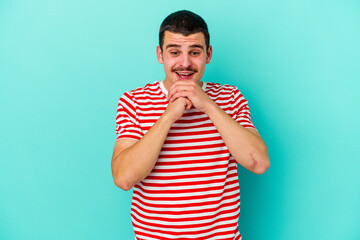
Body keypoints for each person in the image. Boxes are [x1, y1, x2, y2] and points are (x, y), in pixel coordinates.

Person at [111, 10, 270, 240]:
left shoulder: (231, 98)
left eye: (194, 52)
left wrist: (208, 105)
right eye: (174, 52)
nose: (185, 63)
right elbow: (124, 178)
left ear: (208, 54)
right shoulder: (134, 101)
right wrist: (167, 117)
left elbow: (259, 163)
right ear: (160, 54)